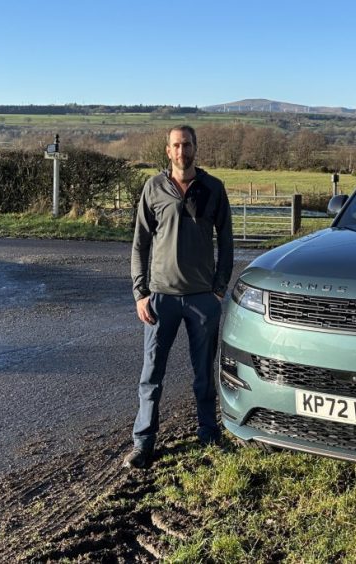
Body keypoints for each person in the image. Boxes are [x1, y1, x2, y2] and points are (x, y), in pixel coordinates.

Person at [124, 125, 233, 469]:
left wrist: (219, 289)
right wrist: (140, 292)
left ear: (195, 148)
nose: (182, 150)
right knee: (152, 374)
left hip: (203, 299)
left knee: (204, 371)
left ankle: (208, 431)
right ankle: (143, 442)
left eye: (187, 144)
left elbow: (227, 243)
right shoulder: (154, 188)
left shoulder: (213, 188)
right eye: (176, 145)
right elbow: (140, 242)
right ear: (167, 151)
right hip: (161, 298)